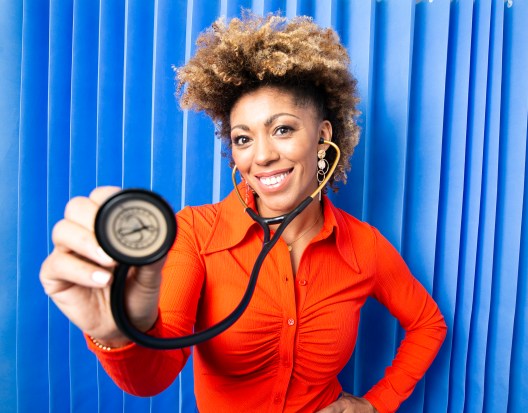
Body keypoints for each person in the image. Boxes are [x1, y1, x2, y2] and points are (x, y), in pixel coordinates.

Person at [39, 13, 446, 413]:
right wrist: (115, 332)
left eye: (282, 129)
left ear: (323, 137)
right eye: (243, 138)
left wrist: (375, 404)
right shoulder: (195, 234)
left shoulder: (364, 246)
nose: (263, 156)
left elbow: (429, 324)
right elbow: (151, 378)